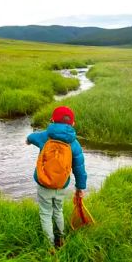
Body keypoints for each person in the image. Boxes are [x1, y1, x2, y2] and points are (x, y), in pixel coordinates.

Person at [26, 106, 87, 248]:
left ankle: (49, 246)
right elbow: (80, 169)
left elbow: (31, 137)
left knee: (45, 213)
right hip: (62, 185)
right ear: (73, 124)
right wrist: (80, 188)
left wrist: (28, 141)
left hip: (43, 184)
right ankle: (61, 239)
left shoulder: (44, 136)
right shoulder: (74, 144)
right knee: (58, 210)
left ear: (52, 120)